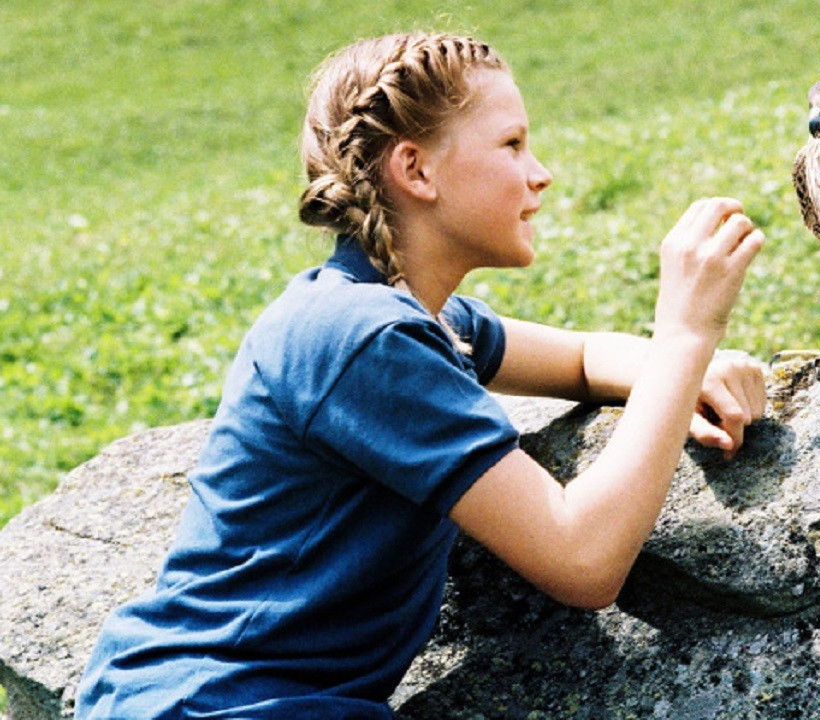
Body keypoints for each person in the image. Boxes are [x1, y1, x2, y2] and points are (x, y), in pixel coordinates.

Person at [75, 31, 765, 718]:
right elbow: (584, 560)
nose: (540, 174)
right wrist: (684, 335)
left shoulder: (408, 317)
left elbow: (583, 359)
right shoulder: (364, 338)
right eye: (512, 145)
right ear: (416, 170)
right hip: (212, 706)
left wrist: (686, 373)